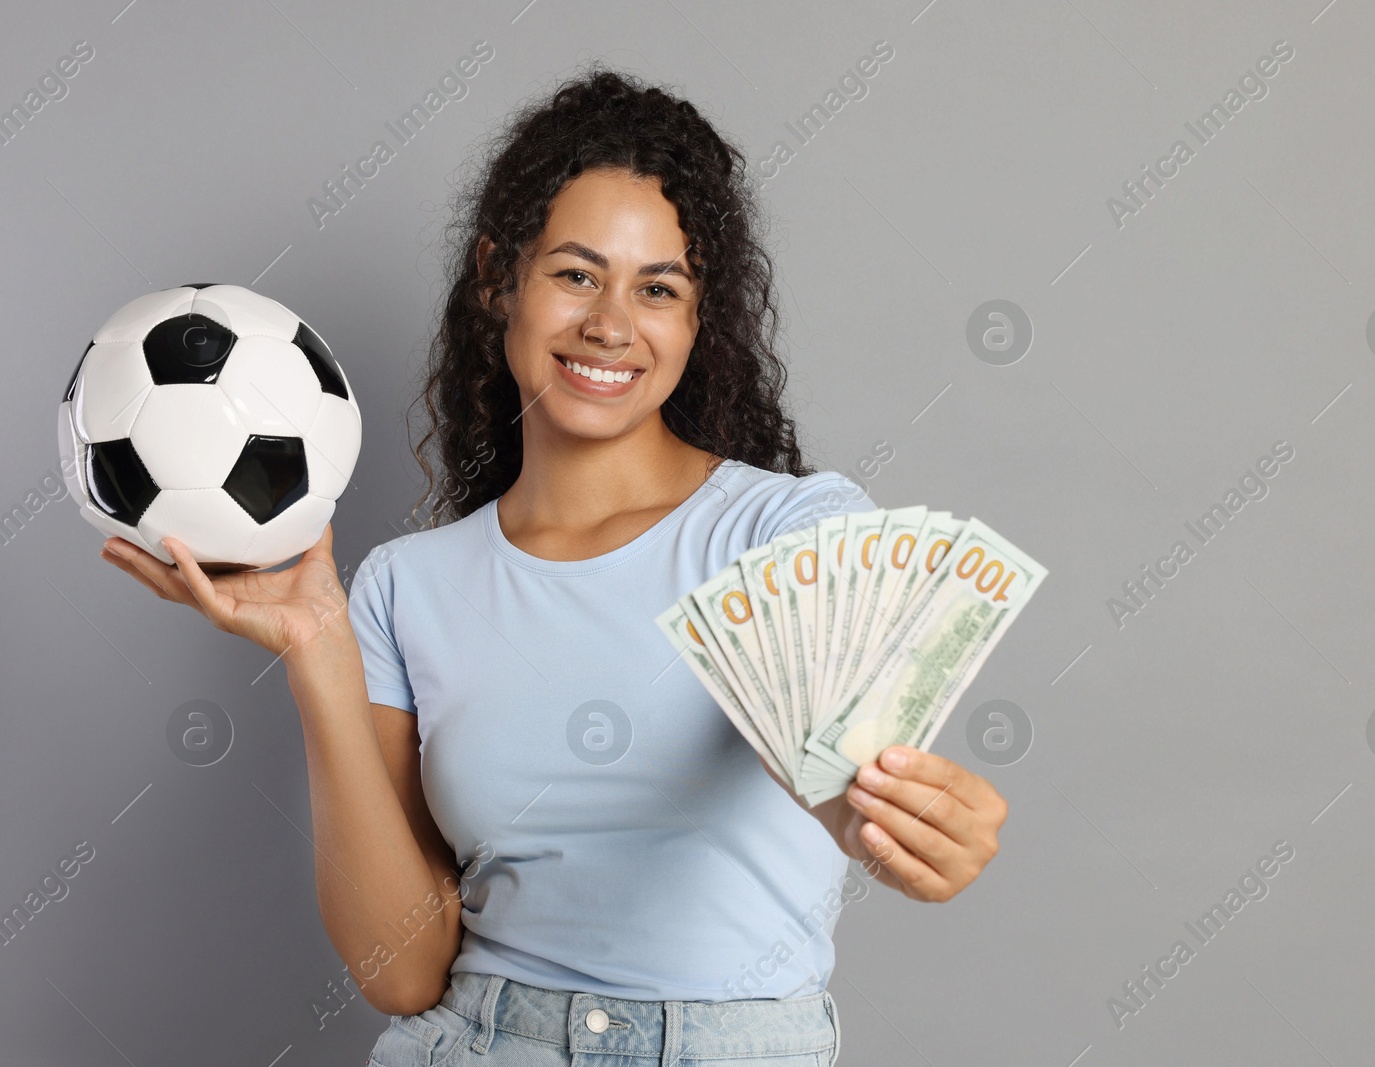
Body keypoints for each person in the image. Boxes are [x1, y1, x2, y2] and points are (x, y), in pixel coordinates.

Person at [98, 66, 1008, 1067]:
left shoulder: (790, 530)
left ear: (696, 320)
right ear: (501, 277)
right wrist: (315, 644)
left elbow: (842, 764)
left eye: (656, 288)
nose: (611, 323)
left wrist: (899, 825)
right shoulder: (404, 587)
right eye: (577, 273)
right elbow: (403, 973)